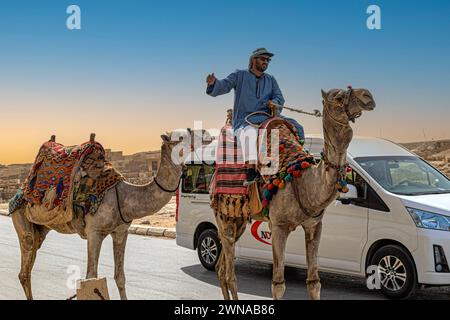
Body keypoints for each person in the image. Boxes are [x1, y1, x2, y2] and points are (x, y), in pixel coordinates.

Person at [206, 48, 305, 184]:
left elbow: (279, 98)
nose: (266, 62)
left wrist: (274, 103)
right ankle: (251, 170)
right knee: (249, 133)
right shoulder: (239, 75)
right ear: (254, 60)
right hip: (245, 119)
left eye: (268, 60)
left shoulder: (271, 80)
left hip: (267, 117)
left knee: (296, 126)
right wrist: (213, 84)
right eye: (263, 59)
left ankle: (298, 159)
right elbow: (224, 85)